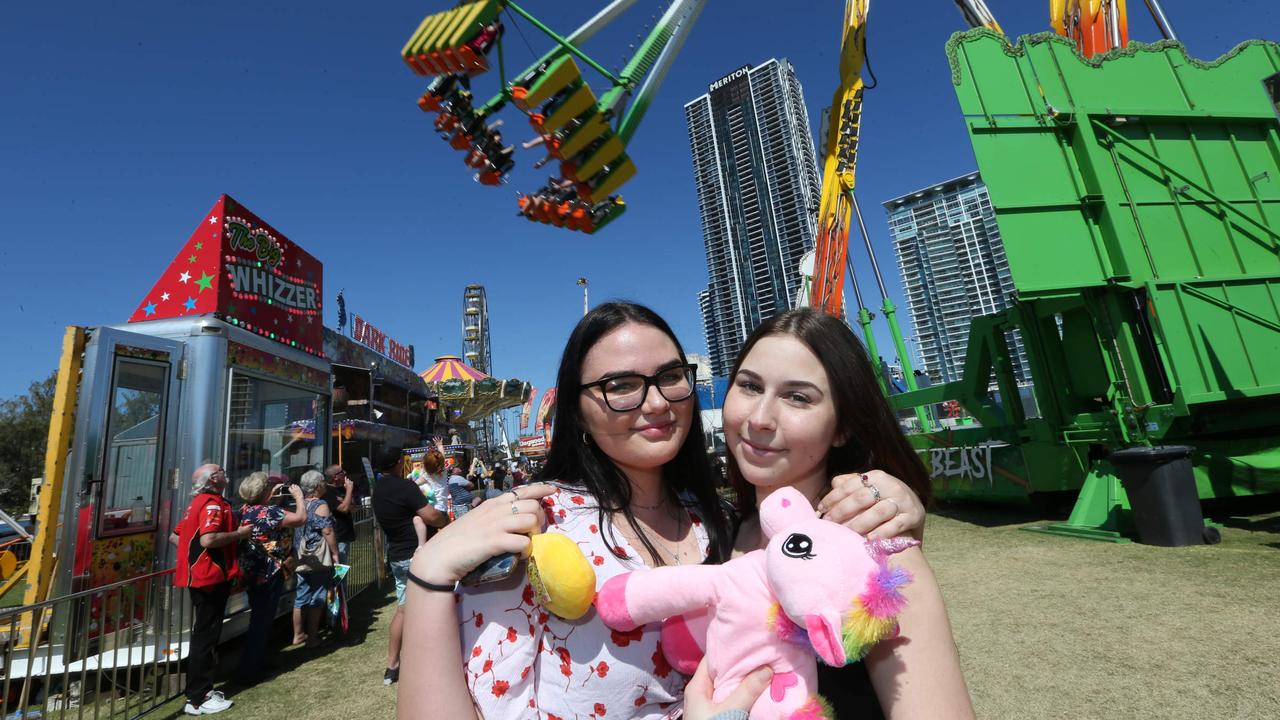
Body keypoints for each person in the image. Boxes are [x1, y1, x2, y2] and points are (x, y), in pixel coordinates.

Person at [399, 303, 927, 719]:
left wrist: (896, 505)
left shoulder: (718, 522)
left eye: (669, 376)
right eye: (620, 386)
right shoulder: (542, 528)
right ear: (577, 412)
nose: (655, 403)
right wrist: (428, 577)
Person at [719, 308, 972, 717]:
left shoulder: (874, 548)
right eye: (749, 386)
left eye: (797, 397)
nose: (760, 418)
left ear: (842, 428)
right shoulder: (718, 529)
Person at [169, 464, 251, 716]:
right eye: (221, 470)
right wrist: (239, 534)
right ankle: (198, 697)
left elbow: (177, 536)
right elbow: (208, 539)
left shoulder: (197, 503)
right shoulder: (213, 504)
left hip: (201, 577)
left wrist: (191, 559)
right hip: (210, 579)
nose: (226, 473)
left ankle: (200, 692)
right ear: (214, 479)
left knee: (204, 634)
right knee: (205, 637)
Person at [371, 447, 448, 686]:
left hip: (397, 557)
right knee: (438, 607)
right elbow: (431, 517)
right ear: (397, 463)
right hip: (419, 554)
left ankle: (391, 666)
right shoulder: (405, 487)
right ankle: (437, 662)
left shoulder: (377, 492)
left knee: (403, 610)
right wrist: (445, 519)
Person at [234, 472, 306, 685]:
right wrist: (299, 497)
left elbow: (261, 517)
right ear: (264, 490)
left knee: (259, 618)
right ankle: (251, 669)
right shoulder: (272, 512)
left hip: (252, 570)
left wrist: (268, 498)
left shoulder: (244, 511)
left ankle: (256, 662)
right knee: (261, 621)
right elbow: (300, 519)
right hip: (270, 571)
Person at [291, 470, 339, 648]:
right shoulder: (321, 504)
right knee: (318, 595)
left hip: (300, 555)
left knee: (301, 594)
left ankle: (297, 634)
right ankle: (312, 637)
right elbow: (327, 530)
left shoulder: (300, 503)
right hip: (317, 556)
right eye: (323, 483)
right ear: (318, 486)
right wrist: (335, 553)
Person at [322, 465, 361, 564]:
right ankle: (340, 580)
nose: (345, 473)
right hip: (337, 536)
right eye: (341, 472)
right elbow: (344, 509)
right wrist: (348, 491)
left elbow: (353, 508)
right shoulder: (326, 492)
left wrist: (346, 497)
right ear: (335, 477)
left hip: (345, 535)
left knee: (343, 565)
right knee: (339, 566)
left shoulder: (343, 489)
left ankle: (341, 580)